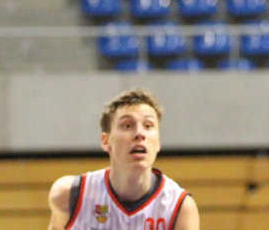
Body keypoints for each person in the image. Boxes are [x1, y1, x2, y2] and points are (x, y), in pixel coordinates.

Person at [47, 87, 200, 230]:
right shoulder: (69, 196)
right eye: (127, 125)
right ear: (106, 142)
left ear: (158, 142)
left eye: (148, 125)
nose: (140, 134)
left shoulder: (179, 207)